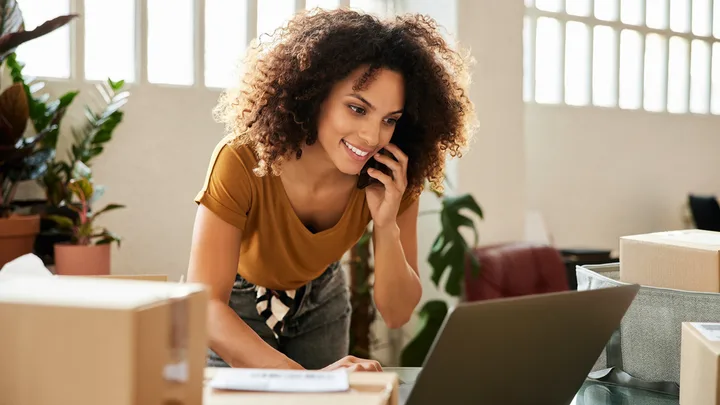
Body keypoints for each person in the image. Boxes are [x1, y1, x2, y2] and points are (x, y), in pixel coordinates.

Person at [186, 7, 476, 372]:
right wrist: (306, 381)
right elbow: (207, 305)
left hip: (322, 298)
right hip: (235, 307)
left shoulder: (392, 175)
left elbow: (398, 313)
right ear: (314, 94)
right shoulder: (242, 159)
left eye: (389, 120)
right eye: (357, 109)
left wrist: (386, 225)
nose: (372, 136)